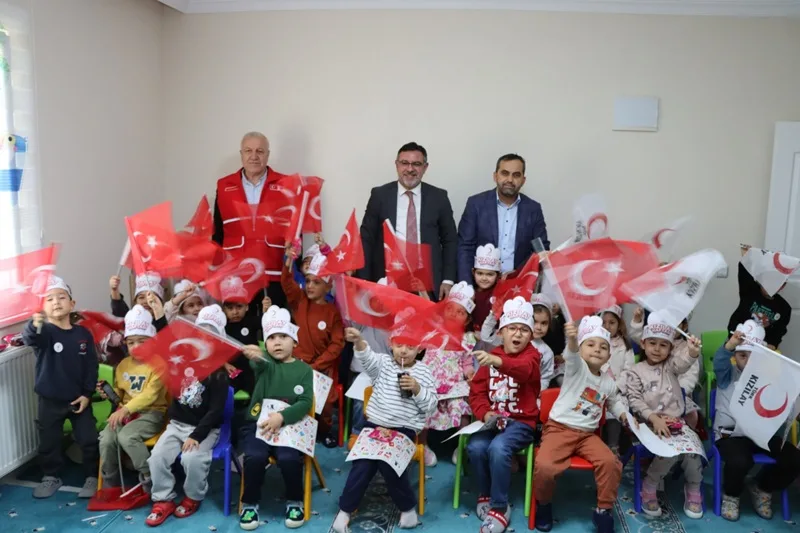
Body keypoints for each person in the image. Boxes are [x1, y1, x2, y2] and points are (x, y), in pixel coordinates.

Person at [332, 323, 437, 533]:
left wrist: (417, 389)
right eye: (399, 344)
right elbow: (367, 358)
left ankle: (407, 509)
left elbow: (431, 406)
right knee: (361, 465)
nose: (404, 350)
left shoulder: (424, 371)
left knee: (389, 464)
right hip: (373, 427)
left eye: (410, 346)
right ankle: (344, 511)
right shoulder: (383, 363)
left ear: (420, 348)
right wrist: (359, 342)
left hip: (404, 430)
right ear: (391, 344)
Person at [533, 316, 631, 533]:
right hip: (559, 429)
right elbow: (573, 354)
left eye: (603, 347)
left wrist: (623, 415)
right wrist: (572, 340)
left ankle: (603, 510)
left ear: (608, 355)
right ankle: (544, 504)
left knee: (610, 462)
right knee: (545, 466)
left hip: (588, 435)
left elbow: (614, 401)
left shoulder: (607, 381)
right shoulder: (577, 368)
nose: (597, 349)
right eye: (591, 344)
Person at [144, 305, 230, 526]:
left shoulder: (219, 373)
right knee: (157, 457)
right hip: (176, 425)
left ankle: (193, 496)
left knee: (193, 458)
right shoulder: (181, 358)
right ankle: (163, 498)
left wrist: (197, 436)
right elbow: (165, 342)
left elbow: (215, 411)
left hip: (204, 429)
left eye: (211, 335)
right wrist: (158, 315)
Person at [467, 297, 541, 533]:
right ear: (502, 332)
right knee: (476, 448)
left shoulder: (532, 356)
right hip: (493, 421)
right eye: (512, 328)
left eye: (523, 330)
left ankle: (500, 507)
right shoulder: (491, 356)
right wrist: (484, 412)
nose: (517, 334)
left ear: (530, 335)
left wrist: (497, 361)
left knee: (498, 448)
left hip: (521, 422)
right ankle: (486, 494)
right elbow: (476, 393)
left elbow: (525, 371)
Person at [713, 321, 800, 521]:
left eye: (754, 357)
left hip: (763, 434)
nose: (748, 361)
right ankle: (731, 494)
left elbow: (781, 404)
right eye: (743, 355)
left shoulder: (769, 377)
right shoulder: (727, 375)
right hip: (732, 435)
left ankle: (762, 487)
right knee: (740, 461)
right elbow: (719, 361)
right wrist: (730, 344)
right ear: (735, 357)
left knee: (794, 459)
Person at [22, 276, 99, 499]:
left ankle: (92, 475)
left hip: (78, 400)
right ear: (44, 307)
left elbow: (91, 366)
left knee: (88, 438)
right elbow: (30, 338)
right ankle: (51, 476)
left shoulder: (83, 334)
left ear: (71, 304)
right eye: (50, 299)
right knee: (49, 440)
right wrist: (33, 323)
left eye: (61, 297)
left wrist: (87, 394)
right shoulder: (44, 332)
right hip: (50, 399)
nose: (56, 302)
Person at [238, 306, 314, 530]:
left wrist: (282, 417)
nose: (277, 342)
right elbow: (258, 362)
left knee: (290, 459)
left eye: (283, 337)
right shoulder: (264, 364)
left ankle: (294, 500)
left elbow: (305, 402)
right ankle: (249, 503)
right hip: (258, 425)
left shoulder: (304, 370)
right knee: (253, 456)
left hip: (289, 427)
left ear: (295, 342)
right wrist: (257, 354)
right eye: (271, 338)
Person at [625, 312, 703, 519]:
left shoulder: (671, 367)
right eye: (652, 343)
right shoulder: (636, 370)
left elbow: (683, 363)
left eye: (663, 345)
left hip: (677, 421)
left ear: (670, 348)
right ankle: (650, 485)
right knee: (671, 451)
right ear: (643, 344)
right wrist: (653, 418)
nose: (657, 349)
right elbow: (634, 400)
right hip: (648, 423)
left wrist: (693, 352)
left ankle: (693, 487)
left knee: (693, 451)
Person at [358, 142, 458, 301]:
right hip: (387, 280)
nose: (410, 169)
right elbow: (366, 238)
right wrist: (363, 280)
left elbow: (450, 240)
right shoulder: (380, 195)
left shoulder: (439, 197)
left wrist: (448, 279)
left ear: (425, 168)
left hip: (428, 283)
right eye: (404, 163)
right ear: (396, 165)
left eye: (416, 164)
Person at [212, 131, 293, 311]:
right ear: (241, 154)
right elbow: (218, 230)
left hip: (273, 271)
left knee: (273, 330)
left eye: (260, 151)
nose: (254, 156)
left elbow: (294, 231)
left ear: (268, 155)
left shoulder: (286, 184)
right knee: (237, 329)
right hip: (235, 273)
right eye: (248, 151)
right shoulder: (224, 185)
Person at [97, 305, 168, 494]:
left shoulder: (159, 363)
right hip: (125, 412)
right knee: (106, 439)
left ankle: (148, 475)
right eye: (131, 343)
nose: (136, 347)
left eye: (142, 342)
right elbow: (121, 393)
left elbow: (150, 395)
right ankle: (110, 482)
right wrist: (111, 395)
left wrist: (125, 410)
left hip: (152, 413)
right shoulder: (123, 365)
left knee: (127, 436)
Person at [282, 250, 345, 447]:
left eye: (316, 282)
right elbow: (287, 284)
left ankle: (323, 430)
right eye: (308, 281)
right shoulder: (300, 301)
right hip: (298, 365)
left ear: (328, 285)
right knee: (290, 396)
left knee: (324, 404)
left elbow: (337, 343)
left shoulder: (332, 312)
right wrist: (289, 261)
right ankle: (292, 427)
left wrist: (318, 365)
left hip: (322, 368)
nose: (309, 286)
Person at [457, 153, 549, 283]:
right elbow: (464, 248)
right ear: (495, 176)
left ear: (523, 180)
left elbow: (540, 251)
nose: (510, 180)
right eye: (505, 173)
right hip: (481, 285)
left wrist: (520, 274)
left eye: (516, 175)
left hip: (518, 285)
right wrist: (466, 286)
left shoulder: (533, 209)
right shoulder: (476, 204)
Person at [420, 281, 476, 466]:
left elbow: (467, 362)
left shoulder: (467, 338)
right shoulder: (433, 329)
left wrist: (470, 373)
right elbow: (425, 309)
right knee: (423, 406)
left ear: (467, 319)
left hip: (454, 385)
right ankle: (422, 445)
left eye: (460, 312)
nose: (453, 314)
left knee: (462, 408)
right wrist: (422, 289)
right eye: (450, 309)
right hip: (430, 381)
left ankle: (461, 446)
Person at [726, 246, 791, 349]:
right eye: (767, 280)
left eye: (776, 283)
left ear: (782, 286)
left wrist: (773, 344)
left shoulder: (784, 308)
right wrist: (748, 257)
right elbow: (744, 274)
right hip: (736, 341)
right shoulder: (750, 291)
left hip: (761, 348)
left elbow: (780, 330)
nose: (770, 286)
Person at [598, 305, 634, 456]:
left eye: (611, 322)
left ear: (619, 324)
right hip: (598, 386)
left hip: (618, 388)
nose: (607, 326)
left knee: (616, 409)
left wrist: (616, 386)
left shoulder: (625, 345)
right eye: (604, 322)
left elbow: (629, 370)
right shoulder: (597, 342)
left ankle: (613, 445)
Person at [471, 244, 501, 332]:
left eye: (490, 274)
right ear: (473, 272)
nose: (484, 278)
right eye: (480, 273)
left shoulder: (500, 293)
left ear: (498, 275)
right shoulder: (471, 293)